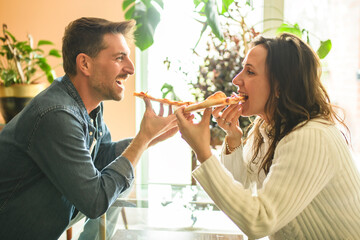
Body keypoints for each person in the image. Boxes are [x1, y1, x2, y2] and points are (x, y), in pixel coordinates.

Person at [0, 17, 178, 240]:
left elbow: (102, 157)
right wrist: (142, 138)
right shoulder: (57, 114)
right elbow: (95, 201)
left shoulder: (88, 107)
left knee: (121, 173)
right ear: (84, 64)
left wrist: (154, 135)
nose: (130, 69)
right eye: (119, 58)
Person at [175, 33, 360, 239]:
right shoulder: (265, 130)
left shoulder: (311, 136)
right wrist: (234, 138)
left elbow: (259, 221)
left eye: (250, 72)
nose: (236, 80)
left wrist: (203, 152)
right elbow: (245, 195)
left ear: (280, 86)